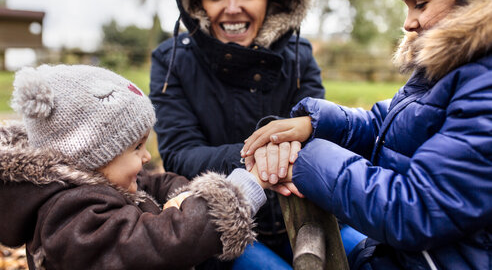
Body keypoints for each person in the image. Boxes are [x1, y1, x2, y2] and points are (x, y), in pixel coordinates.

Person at [242, 0, 492, 269]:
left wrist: (304, 160)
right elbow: (385, 125)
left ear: (474, 1)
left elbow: (415, 209)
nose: (409, 22)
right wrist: (314, 123)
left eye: (420, 3)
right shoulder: (447, 73)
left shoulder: (483, 87)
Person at [0, 64, 288, 270]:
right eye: (136, 148)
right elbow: (160, 245)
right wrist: (239, 192)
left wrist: (187, 195)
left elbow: (155, 184)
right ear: (91, 157)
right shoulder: (70, 220)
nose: (146, 157)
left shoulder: (100, 182)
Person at [149, 0, 325, 267]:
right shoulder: (172, 61)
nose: (232, 8)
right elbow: (179, 152)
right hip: (221, 226)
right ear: (197, 2)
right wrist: (258, 155)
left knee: (372, 256)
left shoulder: (300, 56)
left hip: (304, 210)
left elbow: (316, 129)